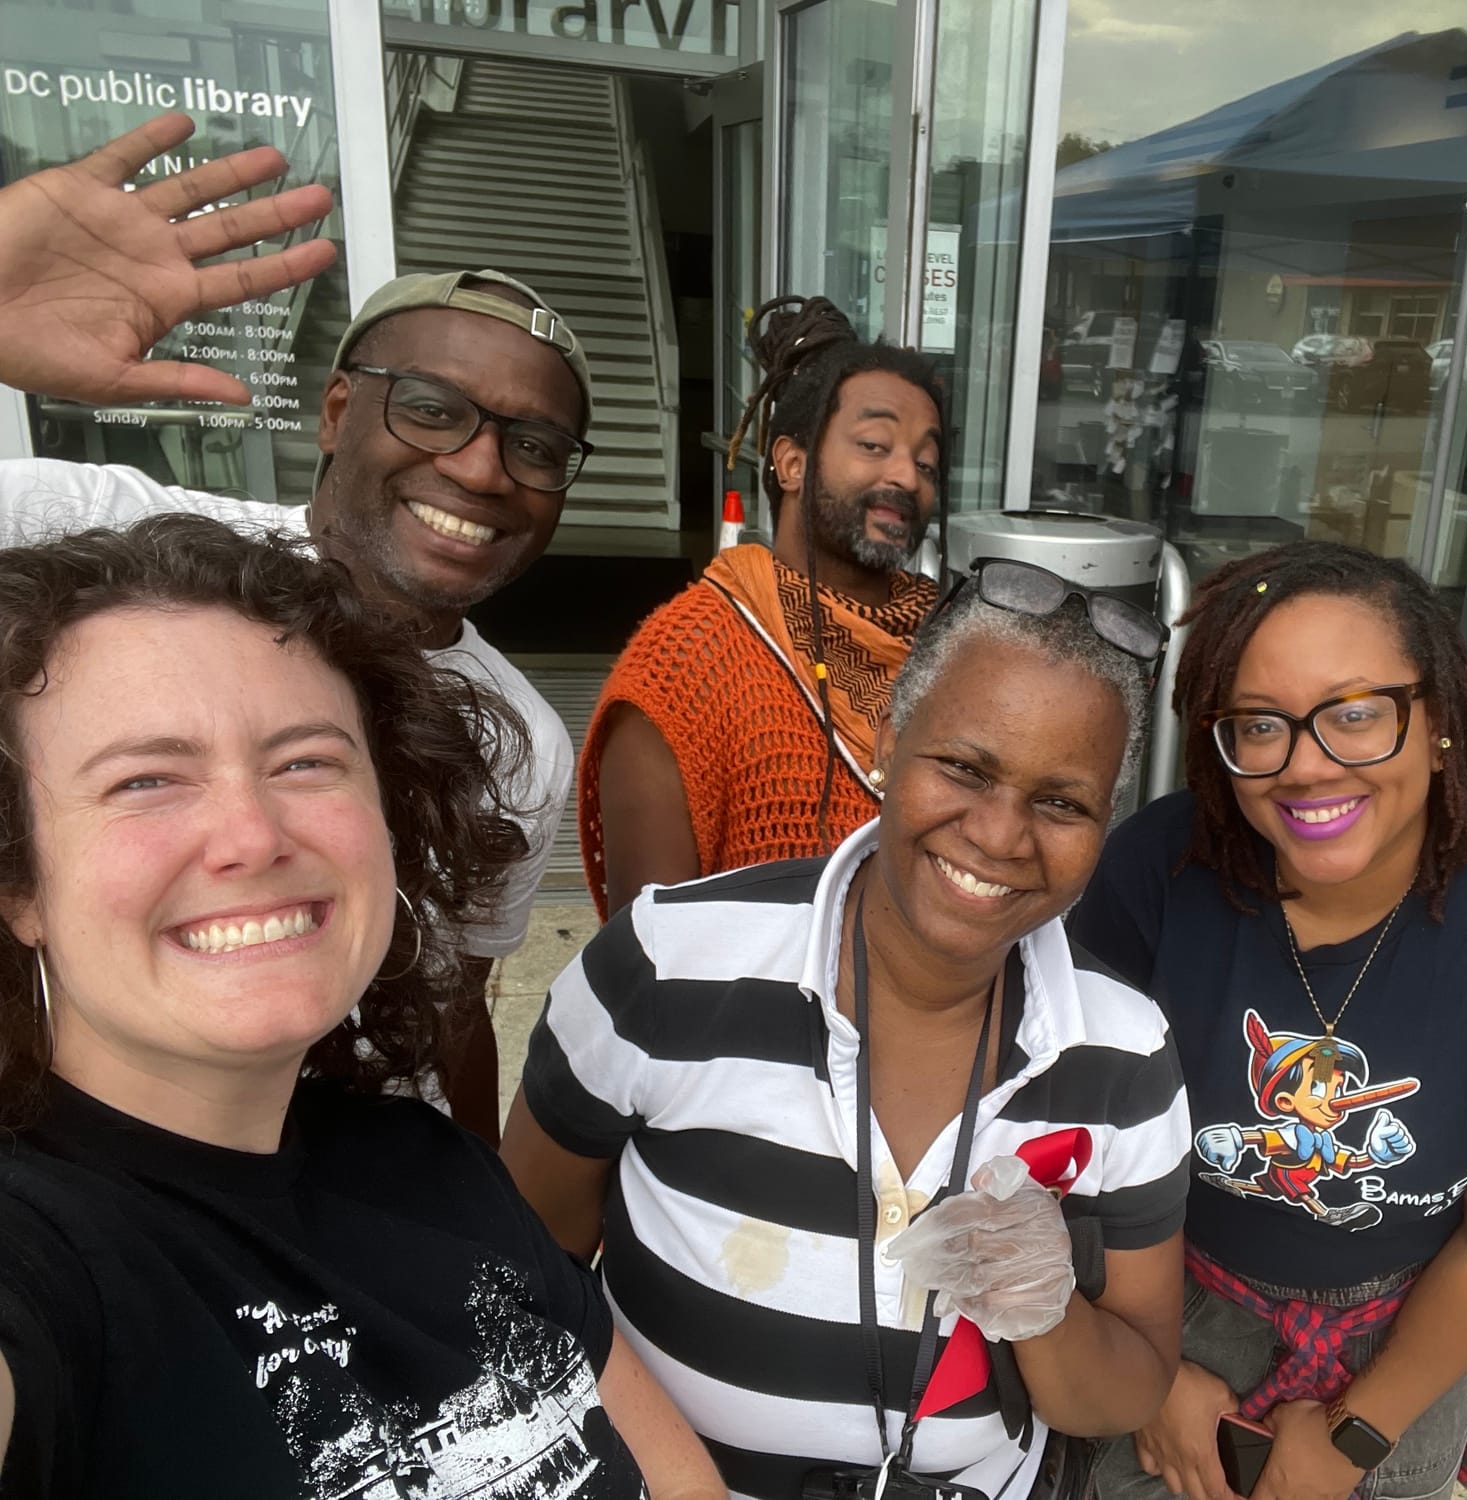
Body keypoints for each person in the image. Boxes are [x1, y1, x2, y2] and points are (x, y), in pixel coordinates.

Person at [0, 514, 723, 1500]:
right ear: (20, 884)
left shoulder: (432, 1168)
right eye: (146, 780)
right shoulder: (41, 1263)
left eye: (304, 761)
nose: (252, 835)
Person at [501, 570, 1191, 1500]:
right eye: (965, 768)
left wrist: (1047, 1310)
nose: (997, 833)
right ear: (889, 745)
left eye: (1062, 802)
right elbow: (520, 1279)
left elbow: (1126, 1393)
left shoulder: (1125, 1055)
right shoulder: (666, 969)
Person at [0, 115, 588, 1143]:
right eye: (436, 410)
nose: (483, 470)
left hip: (334, 1181)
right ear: (336, 412)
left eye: (533, 445)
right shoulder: (105, 534)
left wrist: (478, 1202)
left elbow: (455, 998)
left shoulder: (525, 740)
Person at [1068, 540, 1467, 1500]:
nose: (1307, 768)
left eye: (1358, 715)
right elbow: (1061, 1133)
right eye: (1258, 726)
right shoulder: (1153, 875)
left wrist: (1358, 1433)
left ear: (1440, 718)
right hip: (1165, 1288)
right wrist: (1145, 1369)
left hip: (1409, 1325)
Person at [580, 295, 946, 916]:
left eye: (928, 462)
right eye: (875, 445)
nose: (908, 478)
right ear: (792, 462)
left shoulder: (957, 645)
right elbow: (648, 962)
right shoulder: (686, 663)